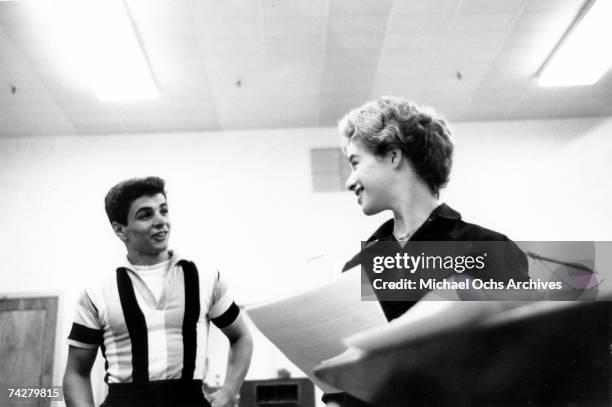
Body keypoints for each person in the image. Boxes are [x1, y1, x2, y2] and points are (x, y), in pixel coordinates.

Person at [322, 97, 529, 407]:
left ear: (393, 155)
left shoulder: (488, 249)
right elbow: (341, 385)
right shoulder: (358, 267)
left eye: (355, 162)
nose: (350, 181)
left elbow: (522, 366)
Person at [63, 176, 253, 407]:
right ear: (120, 230)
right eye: (146, 215)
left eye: (163, 211)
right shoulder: (97, 290)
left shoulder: (205, 277)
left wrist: (227, 393)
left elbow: (241, 337)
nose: (161, 221)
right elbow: (76, 372)